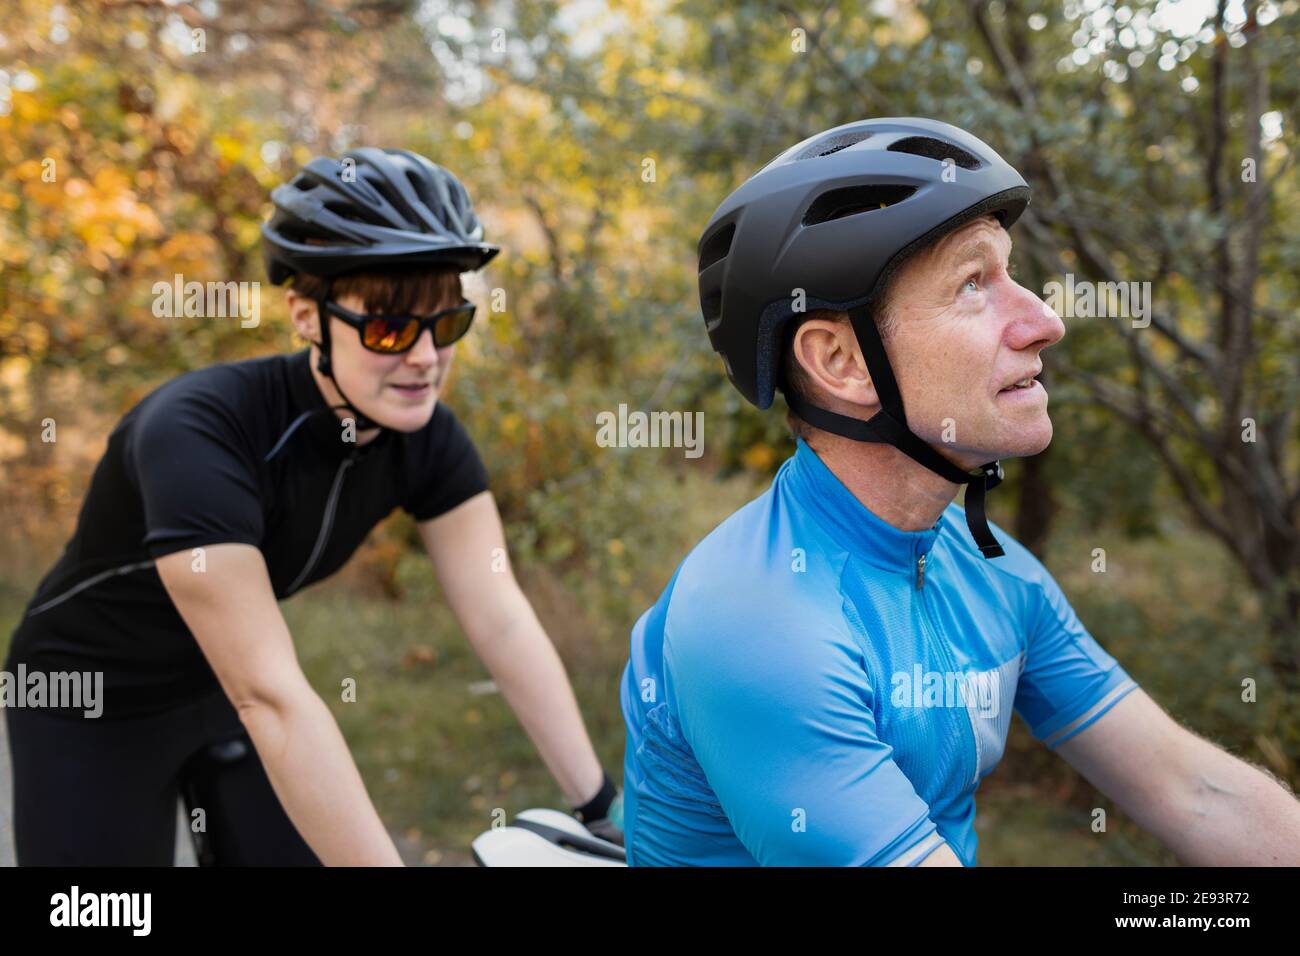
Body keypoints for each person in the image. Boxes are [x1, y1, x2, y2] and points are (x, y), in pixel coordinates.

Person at [619, 118, 1300, 866]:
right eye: (973, 283)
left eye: (1012, 275)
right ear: (839, 361)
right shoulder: (756, 621)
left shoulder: (991, 568)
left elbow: (1197, 793)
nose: (1045, 321)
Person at [5, 147, 620, 866]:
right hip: (90, 700)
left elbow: (500, 616)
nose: (425, 357)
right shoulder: (198, 432)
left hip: (217, 685)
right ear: (306, 316)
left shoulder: (426, 436)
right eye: (391, 327)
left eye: (446, 324)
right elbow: (269, 697)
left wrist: (601, 808)